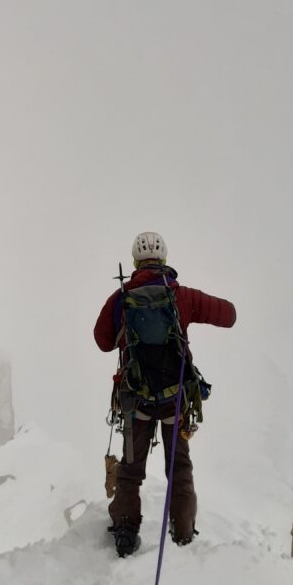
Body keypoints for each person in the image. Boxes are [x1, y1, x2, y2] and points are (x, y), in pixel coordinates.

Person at [94, 231, 236, 557]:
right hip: (175, 400)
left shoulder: (120, 299)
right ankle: (183, 534)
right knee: (180, 470)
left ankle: (125, 534)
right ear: (164, 259)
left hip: (136, 400)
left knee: (130, 471)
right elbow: (228, 315)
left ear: (134, 261)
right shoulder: (180, 296)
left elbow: (102, 341)